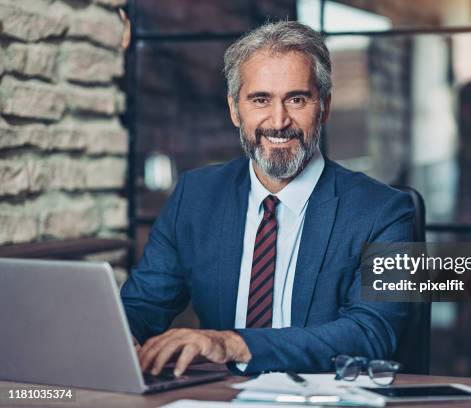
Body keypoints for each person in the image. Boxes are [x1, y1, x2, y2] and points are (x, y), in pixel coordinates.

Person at [120, 21, 414, 377]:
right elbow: (140, 307)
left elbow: (372, 332)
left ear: (325, 107)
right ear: (234, 109)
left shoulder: (385, 211)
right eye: (260, 99)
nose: (278, 121)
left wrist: (233, 343)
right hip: (218, 398)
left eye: (297, 99)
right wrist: (122, 340)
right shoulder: (194, 196)